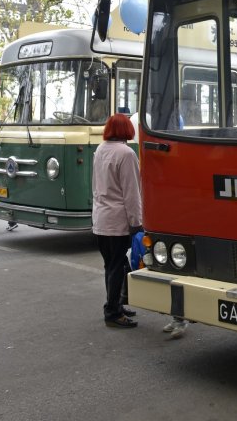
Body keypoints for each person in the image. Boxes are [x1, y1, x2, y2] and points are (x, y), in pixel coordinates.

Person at [92, 113, 143, 329]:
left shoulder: (100, 150)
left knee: (112, 265)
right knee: (116, 266)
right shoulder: (126, 153)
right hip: (118, 220)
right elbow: (131, 193)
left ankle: (117, 305)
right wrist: (137, 222)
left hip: (101, 218)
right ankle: (112, 312)